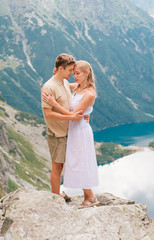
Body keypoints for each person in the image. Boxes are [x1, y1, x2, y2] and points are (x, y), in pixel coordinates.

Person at [42, 60, 99, 209]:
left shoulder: (89, 94)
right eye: (73, 72)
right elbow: (61, 84)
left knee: (81, 163)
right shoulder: (77, 87)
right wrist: (57, 74)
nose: (74, 76)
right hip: (74, 130)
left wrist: (53, 103)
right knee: (77, 163)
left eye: (77, 73)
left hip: (80, 131)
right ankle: (88, 197)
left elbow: (74, 114)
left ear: (87, 74)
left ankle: (91, 197)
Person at [41, 53, 83, 200]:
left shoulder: (64, 82)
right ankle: (55, 197)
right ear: (60, 69)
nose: (72, 73)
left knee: (61, 166)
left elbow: (73, 87)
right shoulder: (48, 87)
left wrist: (86, 82)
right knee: (57, 167)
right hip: (56, 133)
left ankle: (57, 193)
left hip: (66, 131)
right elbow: (48, 114)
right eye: (70, 70)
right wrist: (70, 117)